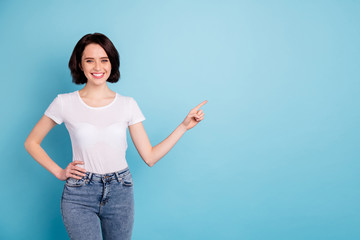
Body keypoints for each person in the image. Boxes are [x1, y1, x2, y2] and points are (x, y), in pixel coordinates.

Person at [24, 32, 207, 240]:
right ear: (80, 65)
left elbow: (150, 157)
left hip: (121, 191)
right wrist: (59, 172)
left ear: (112, 63)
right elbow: (31, 142)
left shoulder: (127, 105)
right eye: (89, 61)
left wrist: (183, 127)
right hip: (80, 194)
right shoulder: (64, 102)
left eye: (104, 60)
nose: (98, 67)